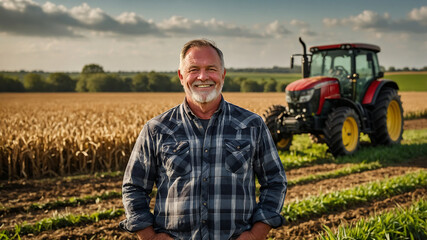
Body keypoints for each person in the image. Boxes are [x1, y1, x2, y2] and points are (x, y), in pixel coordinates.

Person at [120, 39, 287, 240]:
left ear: (223, 74)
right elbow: (134, 187)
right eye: (193, 69)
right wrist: (150, 236)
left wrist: (256, 234)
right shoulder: (157, 129)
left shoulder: (252, 125)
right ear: (181, 76)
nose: (203, 76)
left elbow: (275, 182)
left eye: (211, 69)